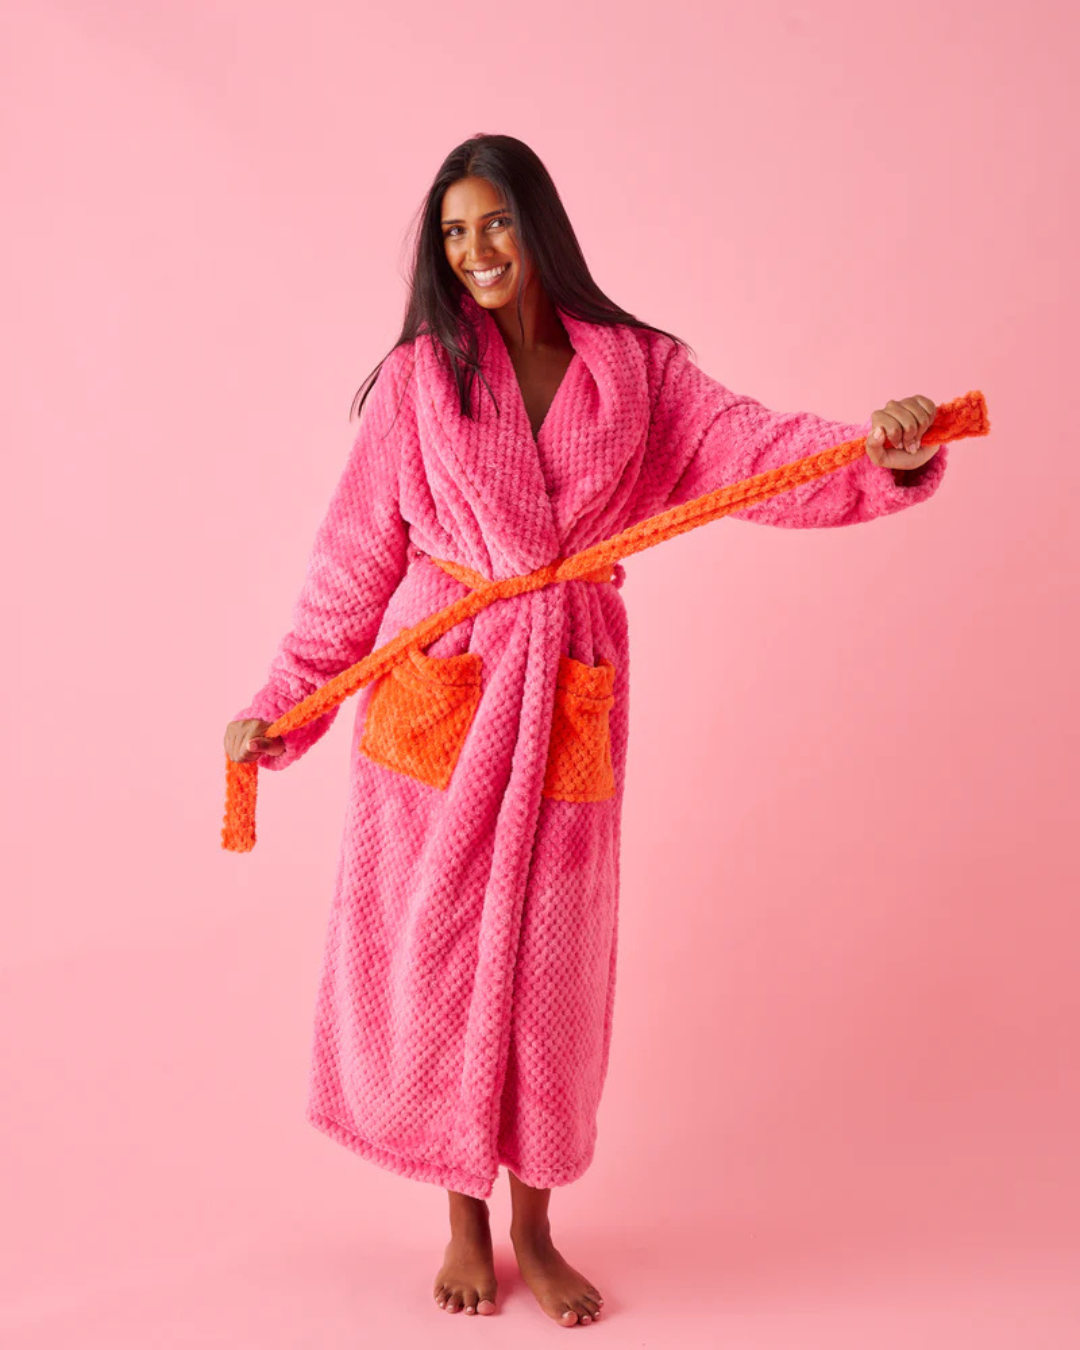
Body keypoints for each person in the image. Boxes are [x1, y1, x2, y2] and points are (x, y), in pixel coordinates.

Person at [223, 133, 946, 1327]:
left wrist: (882, 452)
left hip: (563, 684)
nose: (476, 251)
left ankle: (536, 1228)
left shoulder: (640, 374)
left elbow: (755, 454)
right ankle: (461, 1221)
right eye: (454, 232)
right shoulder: (417, 382)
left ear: (539, 226)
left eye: (495, 223)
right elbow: (351, 564)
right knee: (441, 963)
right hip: (443, 689)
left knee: (551, 975)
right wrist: (279, 706)